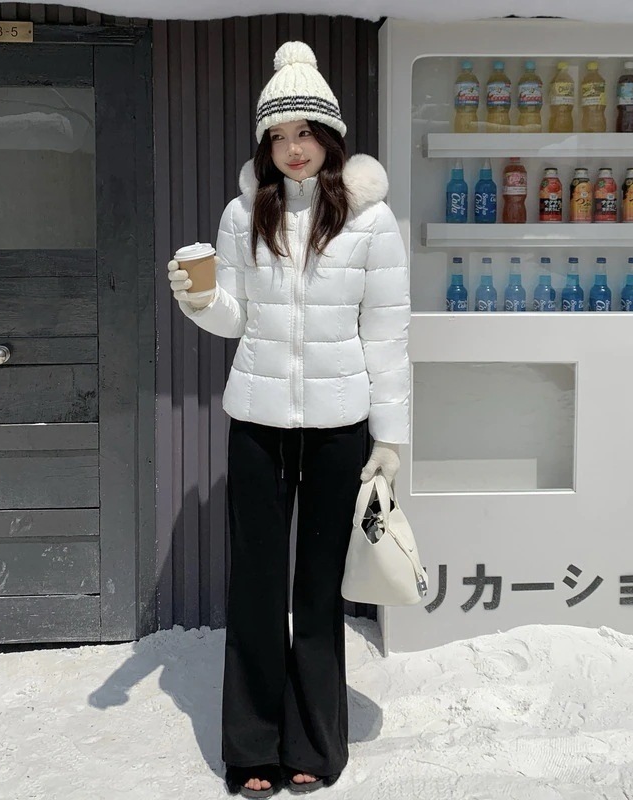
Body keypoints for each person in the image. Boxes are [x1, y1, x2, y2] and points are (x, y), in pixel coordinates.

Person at [167, 41, 409, 798]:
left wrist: (391, 435)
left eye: (304, 132)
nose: (292, 149)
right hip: (258, 420)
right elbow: (236, 316)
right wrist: (200, 300)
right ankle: (253, 748)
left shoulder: (370, 220)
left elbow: (387, 334)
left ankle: (312, 741)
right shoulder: (245, 213)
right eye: (277, 135)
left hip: (339, 426)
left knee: (318, 586)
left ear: (329, 136)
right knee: (257, 584)